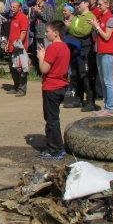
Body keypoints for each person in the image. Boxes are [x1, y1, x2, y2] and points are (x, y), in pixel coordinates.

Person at [37, 20, 70, 160]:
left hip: (52, 86)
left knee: (51, 119)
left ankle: (55, 149)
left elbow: (44, 69)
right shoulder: (65, 47)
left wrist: (41, 57)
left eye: (48, 31)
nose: (46, 33)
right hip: (61, 85)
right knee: (53, 117)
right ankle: (55, 146)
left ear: (55, 33)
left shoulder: (53, 48)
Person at [64, 0, 98, 111]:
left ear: (86, 4)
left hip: (85, 49)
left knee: (85, 75)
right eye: (76, 4)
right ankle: (78, 98)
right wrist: (71, 28)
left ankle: (90, 101)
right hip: (75, 48)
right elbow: (75, 30)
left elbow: (84, 32)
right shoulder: (77, 17)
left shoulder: (90, 16)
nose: (77, 5)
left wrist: (70, 27)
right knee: (75, 74)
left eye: (79, 3)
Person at [91, 0, 113, 116]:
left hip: (108, 51)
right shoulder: (101, 17)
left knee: (108, 81)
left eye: (100, 4)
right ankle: (106, 106)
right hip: (100, 51)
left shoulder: (110, 18)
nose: (98, 6)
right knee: (103, 80)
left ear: (107, 5)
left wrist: (96, 27)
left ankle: (110, 108)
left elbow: (107, 36)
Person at [7, 0, 30, 96]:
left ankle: (22, 89)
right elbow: (12, 32)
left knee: (21, 69)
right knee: (13, 68)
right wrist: (8, 43)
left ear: (19, 8)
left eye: (14, 7)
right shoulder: (13, 18)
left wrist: (17, 43)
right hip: (12, 47)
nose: (12, 8)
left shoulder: (23, 18)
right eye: (11, 7)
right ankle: (16, 86)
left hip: (19, 48)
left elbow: (23, 32)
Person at [29, 0, 54, 73]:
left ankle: (49, 71)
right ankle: (41, 71)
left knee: (48, 53)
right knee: (40, 54)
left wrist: (40, 12)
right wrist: (35, 13)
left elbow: (49, 19)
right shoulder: (35, 7)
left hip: (46, 34)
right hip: (38, 34)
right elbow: (31, 20)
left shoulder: (48, 6)